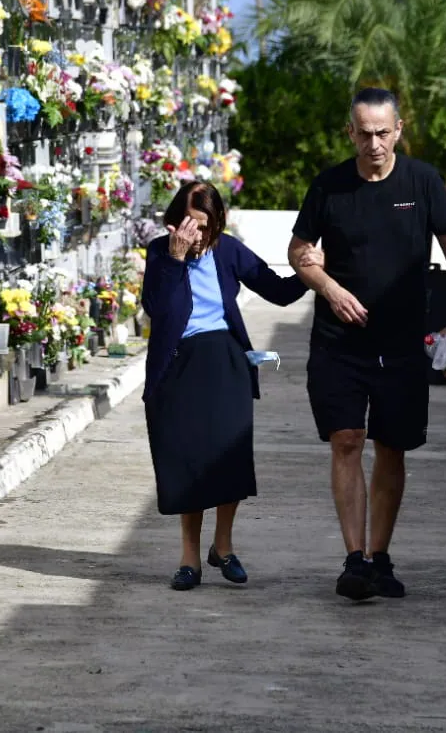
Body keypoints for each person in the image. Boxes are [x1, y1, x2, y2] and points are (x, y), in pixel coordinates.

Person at [287, 87, 446, 601]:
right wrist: (329, 288)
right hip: (337, 342)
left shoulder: (423, 181)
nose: (374, 143)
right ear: (351, 132)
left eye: (383, 133)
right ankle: (354, 560)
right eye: (364, 133)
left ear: (399, 129)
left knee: (392, 446)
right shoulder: (329, 186)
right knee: (346, 440)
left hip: (402, 344)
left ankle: (381, 556)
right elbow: (299, 249)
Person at [141, 181, 316, 591]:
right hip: (179, 362)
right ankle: (189, 559)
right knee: (189, 461)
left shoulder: (228, 249)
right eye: (189, 224)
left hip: (225, 360)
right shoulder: (160, 252)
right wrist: (176, 259)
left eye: (204, 226)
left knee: (227, 458)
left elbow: (278, 291)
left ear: (217, 223)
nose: (196, 234)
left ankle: (223, 546)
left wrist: (312, 269)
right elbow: (159, 310)